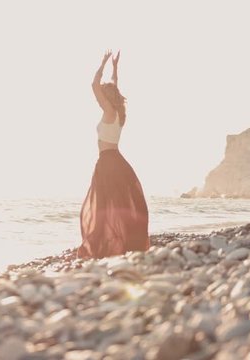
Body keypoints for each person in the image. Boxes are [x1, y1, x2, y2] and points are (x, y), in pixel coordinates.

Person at [77, 50, 150, 258]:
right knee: (116, 204)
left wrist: (102, 62)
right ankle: (117, 244)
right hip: (115, 161)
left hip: (108, 162)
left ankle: (103, 246)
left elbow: (94, 85)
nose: (99, 99)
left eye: (103, 96)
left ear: (106, 99)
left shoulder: (109, 112)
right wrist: (115, 69)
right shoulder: (118, 113)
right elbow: (113, 88)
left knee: (102, 205)